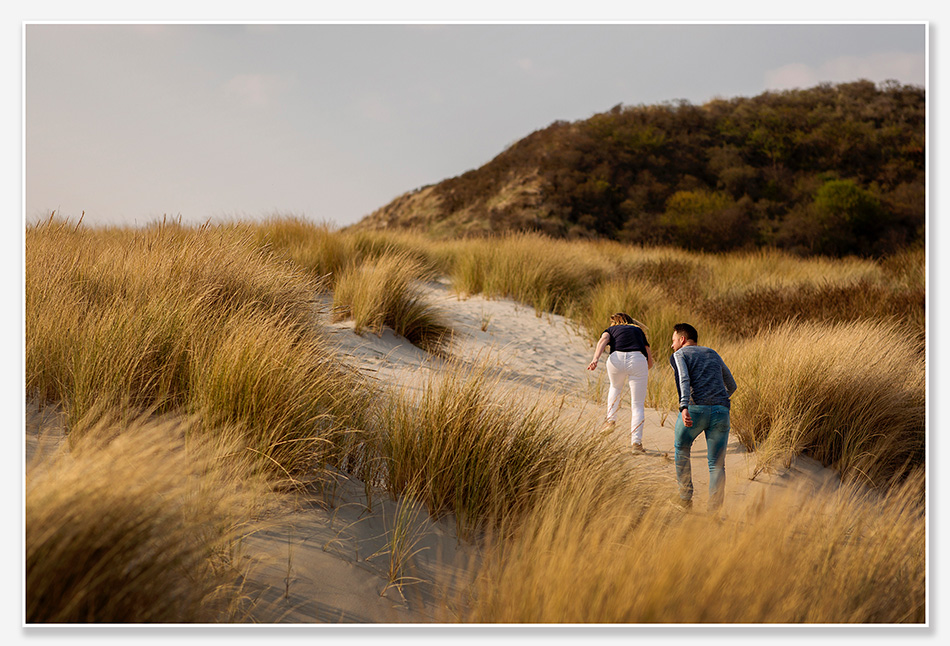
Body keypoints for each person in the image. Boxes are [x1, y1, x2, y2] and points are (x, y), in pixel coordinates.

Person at [668, 323, 737, 514]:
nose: (672, 346)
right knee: (717, 464)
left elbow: (684, 379)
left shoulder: (680, 354)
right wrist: (718, 400)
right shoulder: (712, 353)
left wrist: (683, 406)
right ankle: (714, 512)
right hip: (721, 411)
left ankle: (685, 498)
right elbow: (731, 385)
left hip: (695, 409)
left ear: (682, 340)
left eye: (673, 341)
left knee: (681, 447)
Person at [587, 313, 654, 452]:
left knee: (615, 387)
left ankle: (610, 420)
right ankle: (636, 443)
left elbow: (603, 341)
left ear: (615, 322)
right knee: (637, 404)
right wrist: (642, 369)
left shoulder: (611, 330)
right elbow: (649, 359)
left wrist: (595, 359)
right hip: (637, 359)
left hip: (616, 358)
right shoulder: (638, 330)